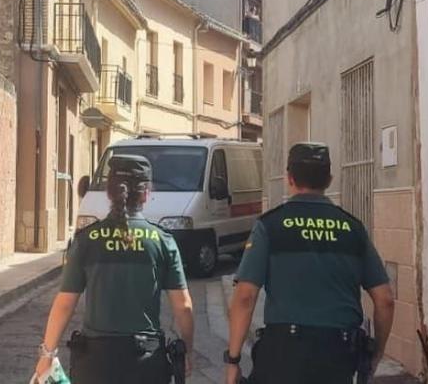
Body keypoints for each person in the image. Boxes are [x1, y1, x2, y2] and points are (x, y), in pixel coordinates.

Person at [225, 142, 395, 384]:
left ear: (289, 178)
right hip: (339, 355)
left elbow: (245, 297)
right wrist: (375, 355)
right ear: (329, 180)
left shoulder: (270, 226)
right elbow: (385, 300)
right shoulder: (353, 228)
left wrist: (232, 361)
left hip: (284, 355)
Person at [34, 154, 194, 384]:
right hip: (146, 364)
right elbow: (183, 306)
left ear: (110, 192)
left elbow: (65, 304)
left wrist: (47, 355)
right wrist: (187, 350)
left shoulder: (86, 240)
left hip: (95, 364)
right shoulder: (162, 241)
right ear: (147, 194)